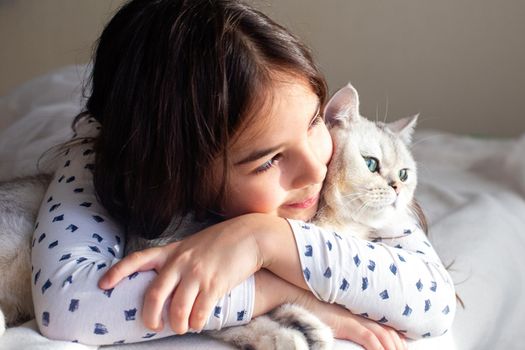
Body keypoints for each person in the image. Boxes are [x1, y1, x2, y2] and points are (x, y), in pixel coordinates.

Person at [31, 0, 456, 349]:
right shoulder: (98, 163)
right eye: (269, 160)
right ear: (180, 176)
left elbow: (433, 304)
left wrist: (265, 239)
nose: (314, 169)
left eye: (313, 123)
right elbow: (69, 305)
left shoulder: (342, 161)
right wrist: (278, 290)